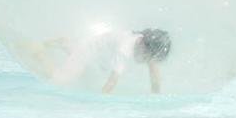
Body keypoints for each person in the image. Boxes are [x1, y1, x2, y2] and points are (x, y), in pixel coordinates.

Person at [30, 26, 173, 94]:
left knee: (88, 76)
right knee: (60, 81)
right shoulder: (125, 49)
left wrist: (156, 98)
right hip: (87, 52)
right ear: (142, 45)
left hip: (97, 53)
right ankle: (39, 53)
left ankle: (67, 44)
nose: (148, 61)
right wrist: (99, 109)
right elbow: (111, 83)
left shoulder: (146, 42)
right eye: (148, 57)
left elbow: (155, 76)